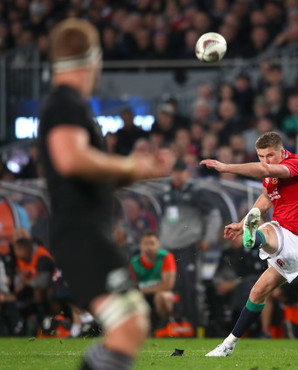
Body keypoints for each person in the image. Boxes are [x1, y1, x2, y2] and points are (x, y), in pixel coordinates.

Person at [38, 19, 172, 370]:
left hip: (84, 233)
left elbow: (83, 171)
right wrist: (129, 166)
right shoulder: (66, 102)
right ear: (92, 60)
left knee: (132, 322)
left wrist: (137, 170)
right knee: (129, 325)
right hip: (80, 235)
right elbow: (70, 160)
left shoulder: (66, 103)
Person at [201, 131, 298, 357]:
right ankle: (227, 345)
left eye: (270, 155)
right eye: (261, 156)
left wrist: (225, 167)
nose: (265, 161)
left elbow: (265, 170)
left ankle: (255, 237)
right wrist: (241, 222)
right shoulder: (271, 174)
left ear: (282, 152)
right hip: (287, 244)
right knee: (257, 292)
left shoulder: (297, 165)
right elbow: (266, 197)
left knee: (266, 227)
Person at [159, 160, 222, 330]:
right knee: (171, 287)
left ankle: (194, 326)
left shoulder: (197, 192)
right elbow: (163, 221)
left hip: (188, 246)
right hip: (168, 248)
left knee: (190, 286)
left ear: (187, 174)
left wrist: (208, 239)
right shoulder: (166, 193)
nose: (178, 175)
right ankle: (171, 326)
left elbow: (214, 215)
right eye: (175, 171)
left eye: (181, 171)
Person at [129, 231, 176, 327]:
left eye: (152, 243)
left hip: (157, 294)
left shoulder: (166, 257)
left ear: (158, 244)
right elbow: (131, 285)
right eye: (146, 243)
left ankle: (164, 325)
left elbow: (167, 286)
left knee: (164, 296)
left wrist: (143, 290)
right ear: (140, 246)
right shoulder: (134, 262)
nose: (149, 247)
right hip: (142, 297)